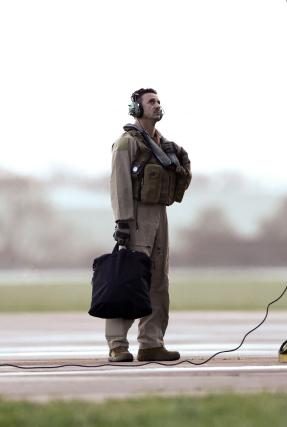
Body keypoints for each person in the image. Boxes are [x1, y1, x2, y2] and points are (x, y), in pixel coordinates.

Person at [108, 88, 191, 362]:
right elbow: (120, 184)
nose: (157, 105)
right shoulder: (127, 142)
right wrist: (123, 221)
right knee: (130, 280)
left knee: (158, 282)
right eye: (151, 102)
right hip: (136, 217)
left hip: (159, 215)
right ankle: (118, 345)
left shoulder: (164, 146)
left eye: (158, 101)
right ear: (136, 108)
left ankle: (151, 342)